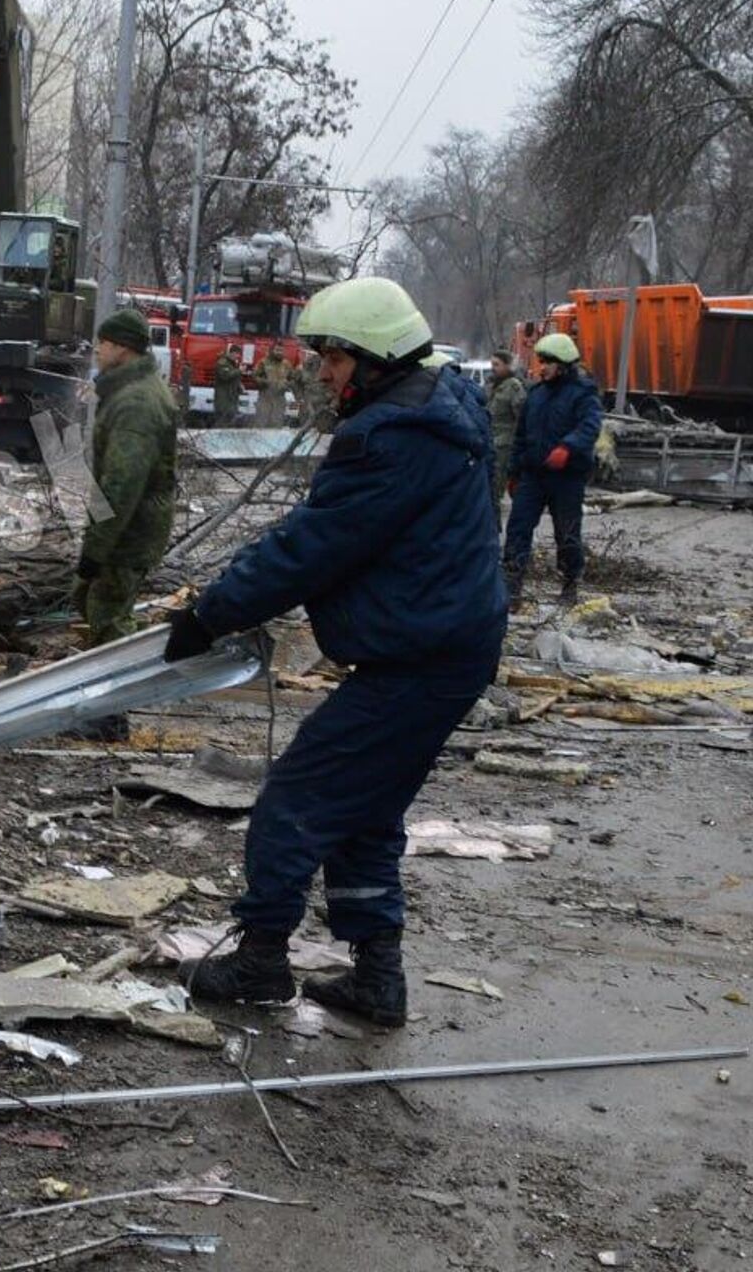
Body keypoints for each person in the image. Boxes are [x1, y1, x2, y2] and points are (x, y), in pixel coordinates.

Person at [162, 277, 506, 1028]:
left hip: (421, 658)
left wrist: (210, 615)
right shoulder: (433, 415)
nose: (323, 373)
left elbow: (310, 548)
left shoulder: (389, 439)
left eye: (334, 359)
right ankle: (378, 981)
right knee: (367, 812)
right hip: (443, 647)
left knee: (295, 800)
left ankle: (260, 962)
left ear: (376, 358)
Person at [77, 307, 178, 651]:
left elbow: (121, 486)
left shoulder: (136, 403)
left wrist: (96, 549)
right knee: (104, 608)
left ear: (122, 348)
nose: (97, 351)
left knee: (109, 618)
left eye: (102, 344)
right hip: (131, 527)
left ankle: (111, 696)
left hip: (131, 531)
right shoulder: (130, 391)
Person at [503, 332, 601, 606]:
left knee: (567, 533)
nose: (541, 367)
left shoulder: (583, 394)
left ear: (564, 364)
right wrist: (514, 471)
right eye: (540, 361)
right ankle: (511, 588)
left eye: (547, 362)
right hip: (533, 475)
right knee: (517, 529)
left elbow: (589, 427)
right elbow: (521, 436)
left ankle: (570, 584)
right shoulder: (535, 394)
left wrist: (567, 448)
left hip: (567, 478)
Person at [486, 348, 526, 509]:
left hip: (504, 442)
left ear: (508, 366)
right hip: (490, 438)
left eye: (497, 364)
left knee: (497, 479)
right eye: (492, 364)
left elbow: (521, 416)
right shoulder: (492, 385)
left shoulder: (513, 387)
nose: (493, 368)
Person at [254, 344, 291, 427]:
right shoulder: (263, 362)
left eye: (281, 350)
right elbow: (255, 376)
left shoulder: (286, 364)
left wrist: (286, 384)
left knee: (277, 424)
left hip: (279, 399)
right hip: (265, 398)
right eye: (277, 350)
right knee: (261, 423)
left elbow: (292, 378)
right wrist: (265, 382)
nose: (279, 352)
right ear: (272, 351)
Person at [212, 344, 243, 425]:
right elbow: (225, 376)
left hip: (231, 397)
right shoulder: (222, 363)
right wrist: (239, 371)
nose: (238, 357)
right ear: (232, 353)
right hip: (223, 398)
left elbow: (233, 379)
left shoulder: (232, 363)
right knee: (222, 421)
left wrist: (239, 386)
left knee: (230, 421)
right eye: (237, 354)